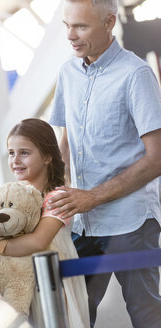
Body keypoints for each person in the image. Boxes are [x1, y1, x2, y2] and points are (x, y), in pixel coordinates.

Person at [47, 0, 161, 326]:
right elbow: (66, 141)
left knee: (147, 316)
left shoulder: (136, 75)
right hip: (84, 223)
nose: (70, 35)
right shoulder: (68, 72)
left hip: (132, 224)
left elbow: (157, 158)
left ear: (110, 22)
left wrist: (92, 196)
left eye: (80, 26)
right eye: (67, 25)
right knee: (74, 314)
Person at [0, 118, 89, 327]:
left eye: (24, 152)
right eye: (11, 153)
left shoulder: (56, 196)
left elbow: (38, 241)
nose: (15, 160)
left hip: (50, 281)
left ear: (47, 156)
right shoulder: (9, 194)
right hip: (16, 280)